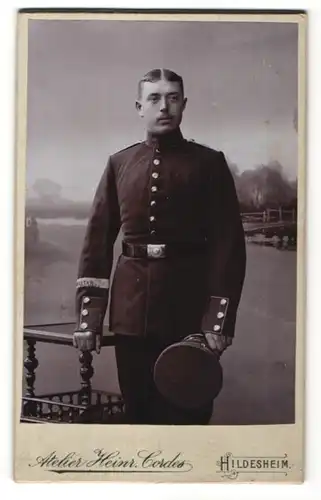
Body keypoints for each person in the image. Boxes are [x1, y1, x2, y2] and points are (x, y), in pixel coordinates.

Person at [73, 68, 246, 425]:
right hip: (131, 315)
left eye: (172, 98)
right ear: (139, 107)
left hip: (189, 314)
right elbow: (98, 243)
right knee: (139, 414)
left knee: (188, 414)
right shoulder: (120, 164)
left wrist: (217, 322)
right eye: (154, 98)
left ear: (184, 104)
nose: (164, 107)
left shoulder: (209, 163)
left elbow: (228, 248)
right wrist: (89, 319)